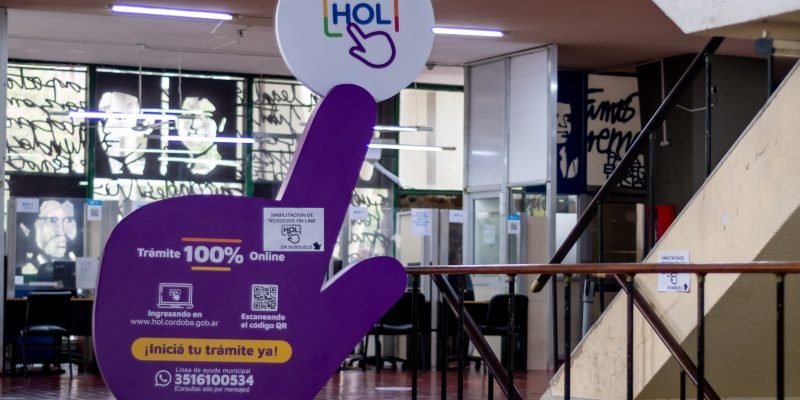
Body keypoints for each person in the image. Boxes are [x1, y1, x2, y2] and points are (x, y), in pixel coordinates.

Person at [19, 199, 79, 276]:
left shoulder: (72, 264)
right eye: (52, 221)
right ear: (28, 229)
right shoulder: (28, 269)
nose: (62, 231)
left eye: (65, 221)